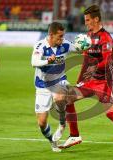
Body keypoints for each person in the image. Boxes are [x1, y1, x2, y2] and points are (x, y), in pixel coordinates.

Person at [61, 5, 113, 156]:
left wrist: (93, 69)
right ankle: (74, 136)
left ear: (96, 19)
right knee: (67, 97)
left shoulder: (105, 38)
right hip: (91, 79)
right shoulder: (89, 36)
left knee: (110, 113)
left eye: (88, 20)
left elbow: (107, 62)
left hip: (107, 80)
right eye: (85, 20)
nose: (86, 23)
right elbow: (87, 59)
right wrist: (81, 80)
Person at [31, 22, 80, 152]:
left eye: (63, 36)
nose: (62, 39)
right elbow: (34, 62)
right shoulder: (40, 46)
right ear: (51, 35)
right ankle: (52, 141)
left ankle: (62, 123)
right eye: (59, 36)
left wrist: (87, 44)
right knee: (41, 122)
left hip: (59, 81)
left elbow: (79, 49)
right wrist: (48, 61)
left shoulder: (65, 45)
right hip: (42, 86)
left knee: (60, 97)